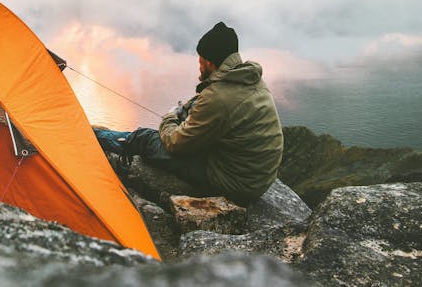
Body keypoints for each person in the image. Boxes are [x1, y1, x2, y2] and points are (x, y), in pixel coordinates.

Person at [94, 22, 283, 206]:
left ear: (209, 62)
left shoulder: (218, 97)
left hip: (236, 184)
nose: (199, 65)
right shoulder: (250, 79)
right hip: (256, 178)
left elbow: (175, 144)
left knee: (144, 138)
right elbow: (213, 111)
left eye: (200, 60)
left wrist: (170, 117)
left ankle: (95, 138)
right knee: (179, 126)